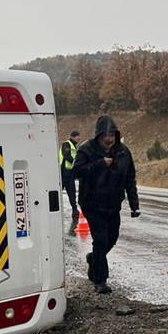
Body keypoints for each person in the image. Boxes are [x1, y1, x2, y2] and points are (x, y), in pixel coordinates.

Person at [72, 116, 140, 294]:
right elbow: (76, 172)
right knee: (101, 240)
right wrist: (99, 164)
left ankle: (93, 258)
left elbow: (130, 178)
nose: (109, 139)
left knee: (112, 238)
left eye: (112, 135)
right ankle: (100, 279)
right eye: (105, 136)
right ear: (98, 136)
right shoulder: (87, 149)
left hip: (113, 203)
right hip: (92, 203)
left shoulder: (123, 152)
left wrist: (134, 205)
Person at [60, 130, 81, 233]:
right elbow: (67, 156)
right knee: (58, 194)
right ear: (73, 136)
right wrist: (76, 162)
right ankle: (56, 213)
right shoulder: (66, 144)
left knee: (72, 195)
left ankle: (75, 212)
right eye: (78, 137)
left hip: (70, 175)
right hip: (63, 174)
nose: (79, 138)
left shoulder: (74, 146)